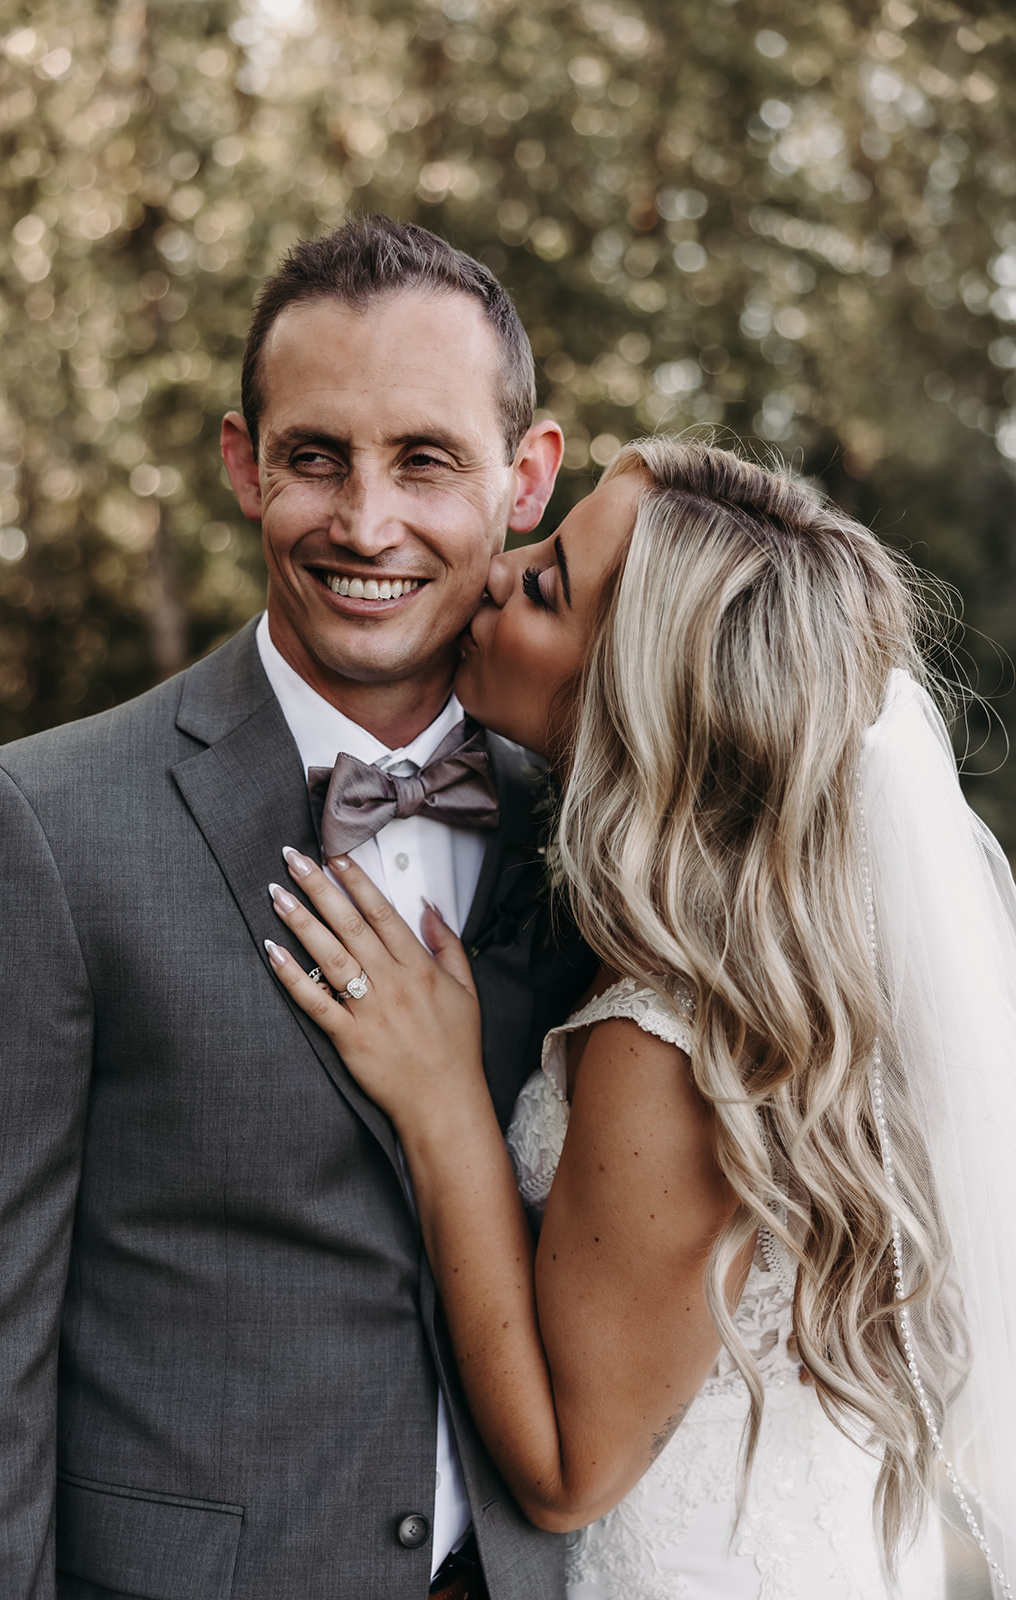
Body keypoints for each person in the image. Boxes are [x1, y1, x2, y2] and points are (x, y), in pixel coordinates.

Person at [0, 216, 595, 1598]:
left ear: (524, 478)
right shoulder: (43, 832)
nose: (365, 523)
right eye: (316, 457)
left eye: (424, 460)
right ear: (243, 464)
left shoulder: (596, 843)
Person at [264, 437, 1016, 1599]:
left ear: (633, 690)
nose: (501, 570)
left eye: (549, 586)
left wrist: (444, 1107)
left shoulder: (669, 1038)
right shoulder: (738, 970)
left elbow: (570, 1471)